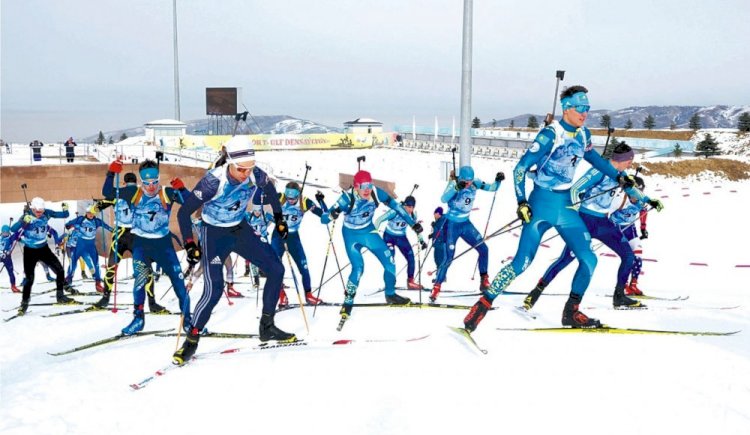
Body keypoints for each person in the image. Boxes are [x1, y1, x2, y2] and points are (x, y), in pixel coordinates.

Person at [463, 85, 638, 332]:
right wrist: (522, 202)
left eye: (587, 108)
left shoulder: (583, 134)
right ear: (566, 108)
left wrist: (619, 177)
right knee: (522, 263)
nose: (584, 112)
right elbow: (520, 169)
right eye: (580, 107)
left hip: (565, 205)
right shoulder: (549, 135)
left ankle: (571, 312)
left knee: (588, 258)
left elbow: (595, 160)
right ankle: (482, 305)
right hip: (541, 204)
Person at [173, 136, 294, 365]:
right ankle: (191, 340)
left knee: (276, 269)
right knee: (214, 288)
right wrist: (190, 243)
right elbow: (183, 213)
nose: (246, 174)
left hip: (240, 230)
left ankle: (267, 326)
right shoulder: (212, 182)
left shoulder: (254, 173)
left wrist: (279, 218)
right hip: (214, 234)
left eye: (249, 169)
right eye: (241, 169)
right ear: (229, 162)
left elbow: (269, 189)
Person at [522, 144, 664, 312]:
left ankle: (619, 297)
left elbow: (631, 189)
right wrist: (573, 213)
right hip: (585, 221)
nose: (630, 165)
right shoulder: (599, 170)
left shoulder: (621, 174)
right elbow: (575, 189)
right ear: (623, 160)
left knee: (628, 256)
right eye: (630, 161)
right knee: (566, 259)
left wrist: (648, 200)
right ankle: (536, 291)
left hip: (604, 223)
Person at [102, 159, 191, 336]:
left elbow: (190, 205)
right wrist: (111, 173)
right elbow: (107, 192)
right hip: (141, 244)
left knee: (178, 282)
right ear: (141, 181)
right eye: (147, 183)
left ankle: (188, 320)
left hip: (163, 245)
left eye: (154, 182)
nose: (151, 187)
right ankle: (138, 319)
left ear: (159, 178)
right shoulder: (132, 192)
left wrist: (182, 189)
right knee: (140, 281)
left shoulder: (167, 192)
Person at [322, 170, 423, 320]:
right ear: (356, 186)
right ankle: (348, 301)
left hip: (369, 232)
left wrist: (412, 224)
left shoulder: (376, 192)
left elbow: (396, 206)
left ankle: (390, 294)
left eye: (369, 185)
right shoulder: (346, 198)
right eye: (363, 186)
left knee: (390, 261)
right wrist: (331, 215)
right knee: (358, 267)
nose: (367, 189)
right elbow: (323, 219)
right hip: (351, 235)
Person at [92, 172, 167, 312]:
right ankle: (152, 303)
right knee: (146, 269)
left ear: (124, 183)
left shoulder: (117, 194)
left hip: (120, 235)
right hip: (137, 236)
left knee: (111, 267)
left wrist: (94, 207)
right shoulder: (141, 194)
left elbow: (97, 208)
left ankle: (105, 298)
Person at [429, 166, 503, 301]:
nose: (468, 183)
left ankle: (484, 280)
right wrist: (457, 188)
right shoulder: (453, 183)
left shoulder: (476, 183)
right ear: (461, 178)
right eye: (466, 181)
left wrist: (498, 181)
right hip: (452, 224)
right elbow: (443, 199)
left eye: (470, 180)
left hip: (465, 224)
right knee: (449, 257)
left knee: (483, 249)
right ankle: (437, 287)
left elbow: (492, 188)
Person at [11, 197, 74, 315]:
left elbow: (64, 215)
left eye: (41, 211)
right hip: (30, 251)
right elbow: (13, 229)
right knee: (29, 279)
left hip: (44, 249)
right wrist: (23, 221)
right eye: (37, 211)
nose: (39, 214)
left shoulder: (47, 213)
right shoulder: (26, 215)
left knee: (60, 270)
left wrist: (65, 208)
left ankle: (60, 296)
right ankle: (24, 303)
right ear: (32, 208)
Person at [273, 181, 329, 307]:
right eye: (288, 198)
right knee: (276, 267)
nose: (290, 200)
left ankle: (309, 295)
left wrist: (321, 201)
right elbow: (262, 205)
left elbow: (325, 216)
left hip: (293, 237)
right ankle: (281, 294)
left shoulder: (305, 202)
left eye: (293, 198)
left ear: (298, 195)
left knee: (304, 266)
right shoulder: (280, 197)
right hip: (278, 235)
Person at [610, 176, 653, 296]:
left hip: (630, 228)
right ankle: (622, 285)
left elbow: (643, 212)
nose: (638, 195)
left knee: (638, 254)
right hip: (617, 227)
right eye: (636, 192)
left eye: (641, 192)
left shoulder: (642, 200)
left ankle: (633, 284)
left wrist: (643, 228)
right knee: (627, 256)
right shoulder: (620, 198)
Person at [374, 195, 427, 290]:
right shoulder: (395, 210)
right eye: (409, 207)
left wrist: (422, 241)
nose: (410, 210)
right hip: (389, 237)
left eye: (412, 207)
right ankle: (389, 283)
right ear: (404, 205)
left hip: (401, 237)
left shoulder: (413, 214)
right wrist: (374, 235)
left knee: (411, 258)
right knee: (390, 260)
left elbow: (416, 228)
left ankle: (410, 282)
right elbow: (379, 220)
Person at [64, 205, 112, 293]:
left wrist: (113, 231)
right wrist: (71, 226)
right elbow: (68, 224)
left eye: (93, 213)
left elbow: (106, 226)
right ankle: (68, 280)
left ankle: (98, 283)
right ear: (86, 213)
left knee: (96, 263)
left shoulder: (96, 221)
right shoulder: (81, 219)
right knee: (73, 261)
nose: (91, 215)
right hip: (80, 244)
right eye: (89, 213)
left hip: (91, 246)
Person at [1, 225, 22, 293]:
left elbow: (18, 233)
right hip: (0, 256)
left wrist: (19, 238)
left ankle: (13, 286)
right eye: (3, 232)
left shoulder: (10, 238)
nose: (5, 233)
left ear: (8, 232)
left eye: (6, 232)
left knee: (11, 272)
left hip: (7, 258)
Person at [429, 207, 447, 280]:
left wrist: (434, 226)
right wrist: (432, 235)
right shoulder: (439, 221)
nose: (434, 216)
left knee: (439, 260)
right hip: (438, 243)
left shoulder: (442, 221)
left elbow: (441, 232)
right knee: (437, 259)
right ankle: (440, 276)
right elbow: (437, 232)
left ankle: (441, 277)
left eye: (435, 214)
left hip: (440, 244)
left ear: (438, 214)